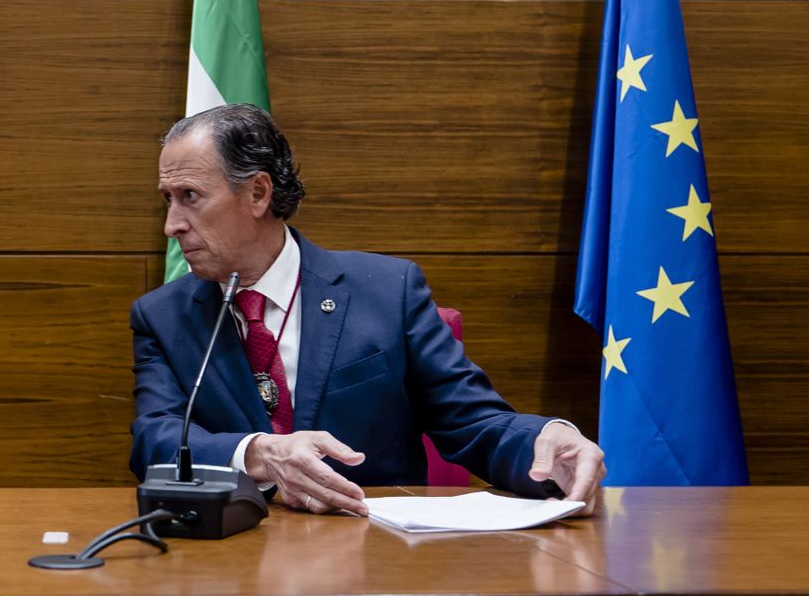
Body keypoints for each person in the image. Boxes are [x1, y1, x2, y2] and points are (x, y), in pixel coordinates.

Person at [130, 104, 605, 516]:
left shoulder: (387, 292)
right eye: (167, 200)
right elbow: (155, 441)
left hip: (373, 546)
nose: (172, 225)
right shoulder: (163, 316)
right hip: (232, 550)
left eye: (189, 196)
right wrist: (258, 451)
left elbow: (473, 422)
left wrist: (548, 442)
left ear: (258, 193)